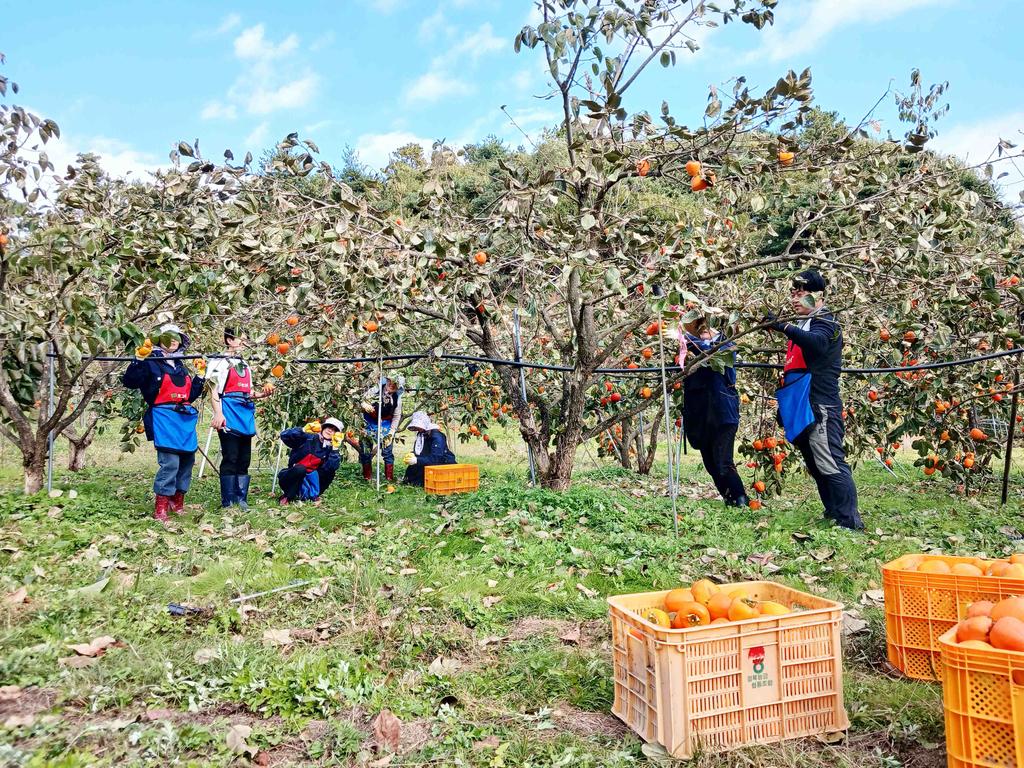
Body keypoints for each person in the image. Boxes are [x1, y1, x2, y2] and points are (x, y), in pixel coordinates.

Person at [768, 269, 863, 530]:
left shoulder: (826, 323)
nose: (796, 299)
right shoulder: (803, 325)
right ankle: (832, 511)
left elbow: (818, 345)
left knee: (829, 461)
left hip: (821, 405)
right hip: (802, 405)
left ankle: (849, 520)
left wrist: (782, 326)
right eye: (794, 294)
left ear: (819, 297)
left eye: (803, 294)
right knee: (815, 463)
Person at [122, 323, 205, 523]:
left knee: (187, 461)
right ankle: (161, 506)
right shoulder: (151, 361)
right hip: (163, 418)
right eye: (169, 337)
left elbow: (189, 396)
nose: (174, 340)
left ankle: (177, 502)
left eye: (177, 337)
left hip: (183, 418)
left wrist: (200, 377)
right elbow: (130, 381)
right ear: (160, 339)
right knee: (170, 463)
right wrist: (139, 359)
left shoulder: (181, 365)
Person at [680, 315, 748, 507]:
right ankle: (729, 499)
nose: (702, 330)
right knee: (710, 463)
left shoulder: (725, 345)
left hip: (722, 411)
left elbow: (712, 356)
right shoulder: (689, 348)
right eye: (698, 327)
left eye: (705, 326)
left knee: (723, 461)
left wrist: (687, 339)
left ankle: (740, 500)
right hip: (700, 414)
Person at [206, 328, 275, 510]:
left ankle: (241, 499)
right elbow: (212, 390)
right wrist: (218, 413)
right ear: (229, 340)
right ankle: (228, 501)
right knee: (231, 456)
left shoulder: (244, 364)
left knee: (244, 458)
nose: (244, 344)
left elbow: (247, 391)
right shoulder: (218, 362)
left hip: (245, 413)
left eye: (245, 341)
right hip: (228, 411)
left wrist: (260, 395)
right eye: (240, 340)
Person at [277, 418, 343, 504]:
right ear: (323, 427)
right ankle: (288, 496)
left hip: (311, 479)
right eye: (329, 427)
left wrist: (335, 448)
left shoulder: (331, 448)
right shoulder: (308, 437)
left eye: (334, 430)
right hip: (292, 477)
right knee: (300, 469)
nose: (330, 430)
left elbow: (331, 468)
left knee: (330, 472)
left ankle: (313, 495)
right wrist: (303, 430)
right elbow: (284, 436)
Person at [358, 376, 405, 482]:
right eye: (391, 382)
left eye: (395, 384)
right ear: (387, 381)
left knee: (387, 451)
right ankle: (367, 477)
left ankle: (389, 478)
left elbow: (396, 416)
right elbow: (361, 401)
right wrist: (365, 405)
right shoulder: (375, 390)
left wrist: (391, 433)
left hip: (385, 424)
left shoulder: (397, 399)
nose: (392, 385)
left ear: (398, 388)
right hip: (369, 422)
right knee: (366, 449)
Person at [402, 411, 456, 486]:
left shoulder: (437, 437)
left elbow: (436, 458)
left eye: (418, 426)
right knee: (411, 477)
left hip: (442, 464)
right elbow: (421, 451)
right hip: (429, 462)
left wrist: (416, 460)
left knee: (422, 480)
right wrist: (412, 454)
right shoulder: (422, 434)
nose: (417, 428)